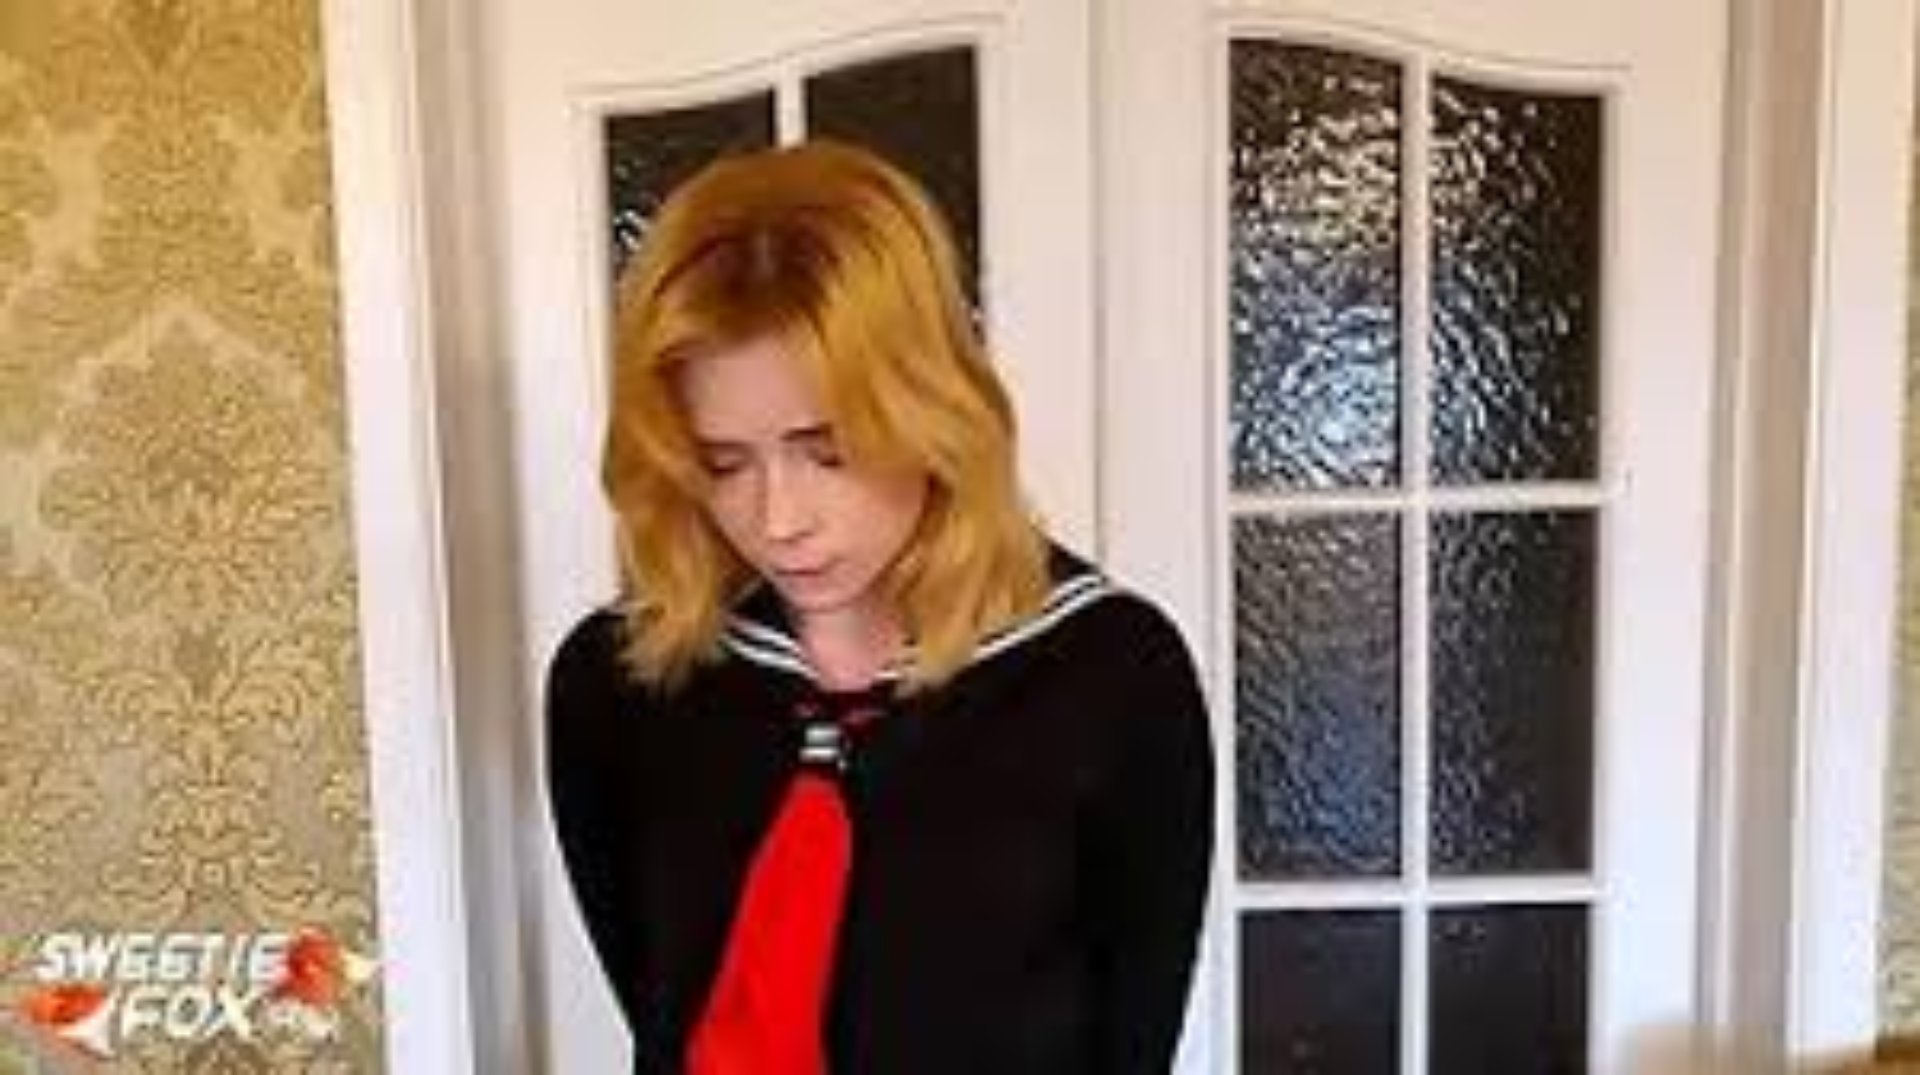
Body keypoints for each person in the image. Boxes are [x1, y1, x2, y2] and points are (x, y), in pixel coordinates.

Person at [545, 140, 1214, 1075]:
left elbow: (1132, 1042)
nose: (780, 519)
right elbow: (661, 1006)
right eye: (724, 463)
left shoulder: (1109, 675)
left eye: (830, 451)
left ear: (931, 411)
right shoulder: (619, 682)